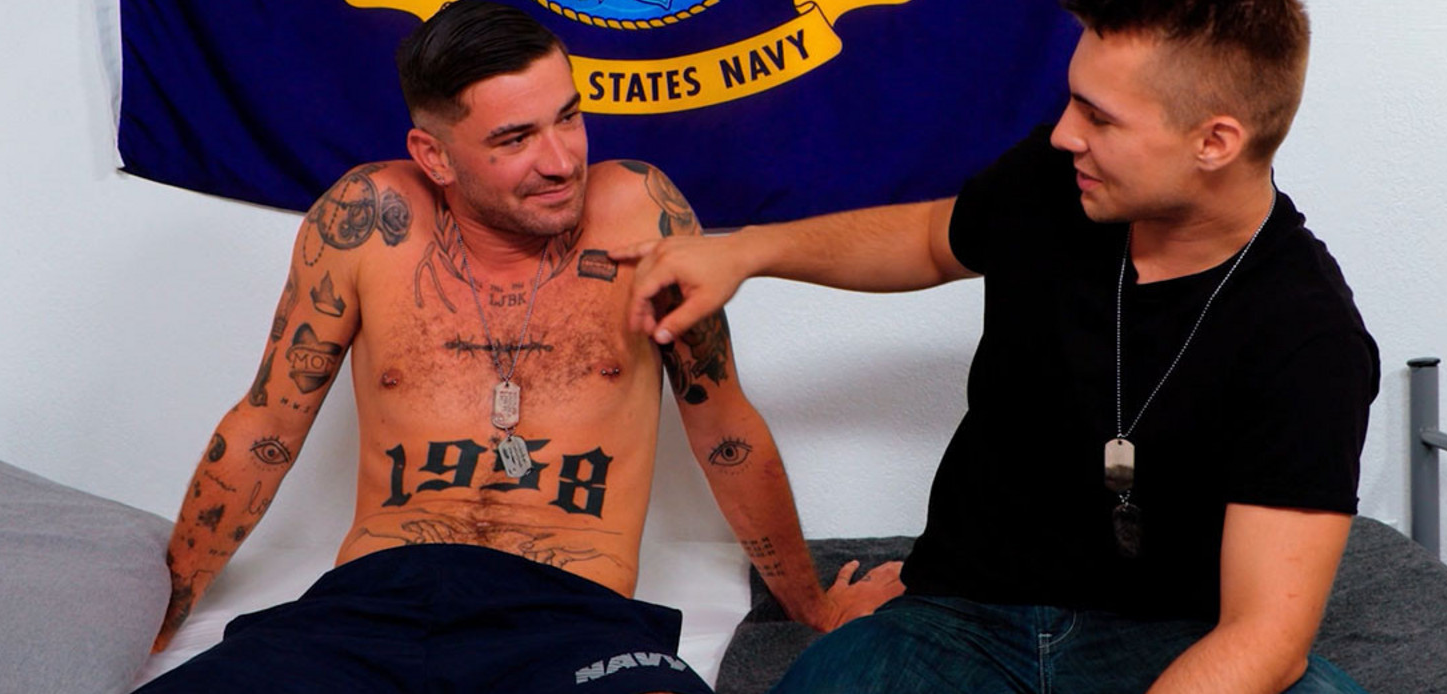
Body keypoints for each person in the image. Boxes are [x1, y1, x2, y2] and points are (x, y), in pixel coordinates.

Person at [616, 0, 1379, 692]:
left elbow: (1265, 636)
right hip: (962, 618)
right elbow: (928, 238)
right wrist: (746, 250)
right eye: (1072, 100)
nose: (1065, 133)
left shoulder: (1309, 337)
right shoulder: (1058, 181)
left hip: (1167, 637)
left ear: (1214, 141)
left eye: (1099, 117)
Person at [138, 3, 900, 692]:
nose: (562, 160)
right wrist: (158, 613)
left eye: (568, 118)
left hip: (571, 614)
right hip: (369, 606)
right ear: (435, 156)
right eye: (515, 139)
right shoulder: (369, 217)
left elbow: (722, 428)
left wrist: (813, 607)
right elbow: (266, 429)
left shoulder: (640, 213)